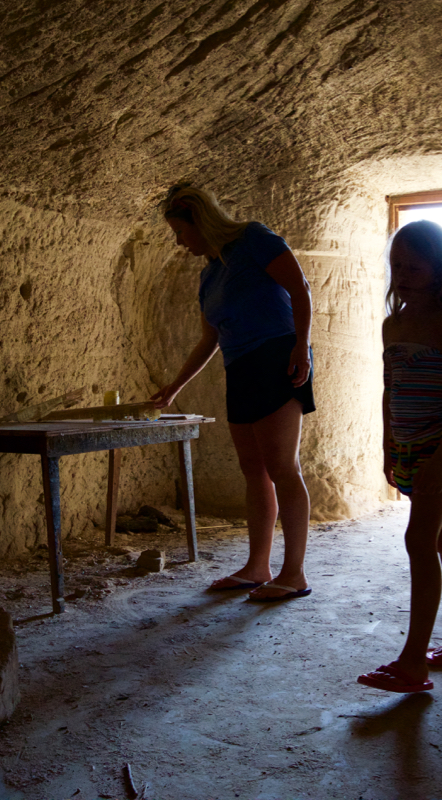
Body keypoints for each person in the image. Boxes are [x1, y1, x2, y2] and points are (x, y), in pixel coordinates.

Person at [150, 184, 316, 602]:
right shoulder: (209, 276)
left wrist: (300, 345)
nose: (179, 243)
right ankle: (257, 566)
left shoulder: (255, 239)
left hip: (278, 355)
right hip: (239, 367)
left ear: (200, 222)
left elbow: (300, 289)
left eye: (180, 232)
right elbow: (210, 339)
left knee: (282, 466)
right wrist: (175, 386)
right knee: (253, 470)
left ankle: (293, 572)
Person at [357, 220, 442, 693]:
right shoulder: (393, 323)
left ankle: (414, 661)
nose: (404, 273)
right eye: (397, 265)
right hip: (410, 448)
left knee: (419, 540)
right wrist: (387, 443)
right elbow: (389, 388)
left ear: (439, 269)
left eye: (415, 265)